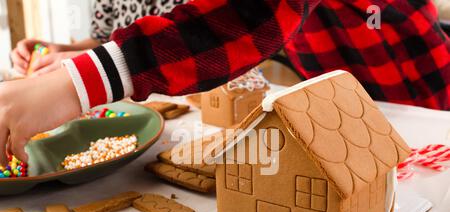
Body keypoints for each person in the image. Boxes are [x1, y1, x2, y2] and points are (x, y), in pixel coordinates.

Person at [0, 0, 448, 167]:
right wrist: (81, 57)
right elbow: (156, 17)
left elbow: (257, 16)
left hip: (402, 71)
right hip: (330, 66)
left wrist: (77, 83)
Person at [10, 0, 186, 76]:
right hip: (126, 94)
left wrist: (93, 58)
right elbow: (101, 39)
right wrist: (61, 50)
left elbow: (189, 48)